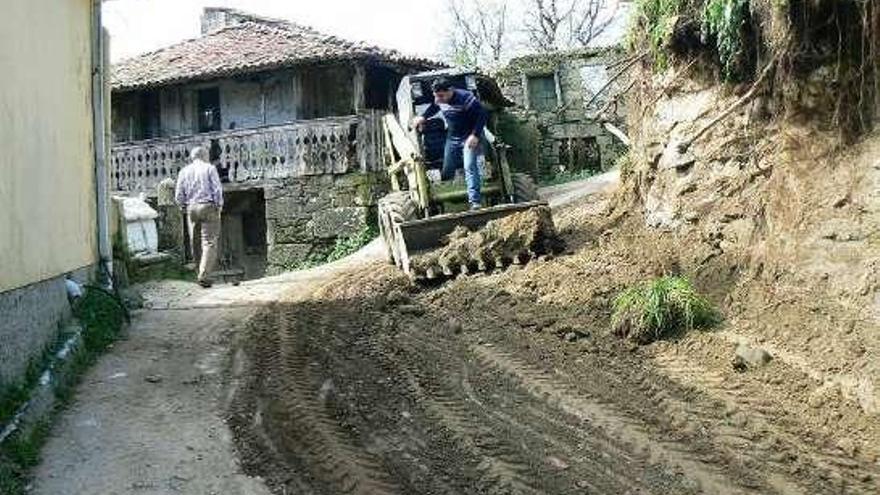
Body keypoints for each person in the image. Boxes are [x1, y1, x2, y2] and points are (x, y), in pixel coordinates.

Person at [412, 77, 489, 210]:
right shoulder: (439, 99)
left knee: (470, 166)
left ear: (450, 91)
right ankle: (447, 201)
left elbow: (482, 116)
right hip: (452, 137)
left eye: (441, 96)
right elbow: (434, 107)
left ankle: (475, 202)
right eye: (436, 96)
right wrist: (422, 117)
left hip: (469, 136)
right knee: (448, 168)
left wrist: (475, 135)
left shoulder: (466, 98)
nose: (438, 99)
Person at [175, 146, 223, 288]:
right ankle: (204, 275)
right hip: (207, 206)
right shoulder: (209, 168)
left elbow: (179, 193)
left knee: (194, 242)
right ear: (204, 155)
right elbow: (217, 189)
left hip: (192, 208)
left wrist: (182, 206)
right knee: (209, 242)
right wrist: (219, 205)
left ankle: (198, 273)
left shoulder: (184, 171)